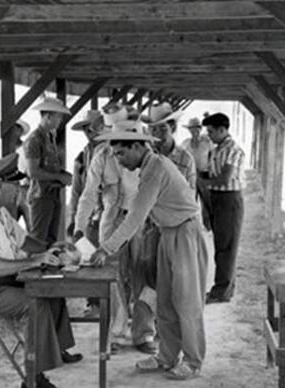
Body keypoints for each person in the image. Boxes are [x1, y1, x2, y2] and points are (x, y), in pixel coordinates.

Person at [89, 121, 208, 381]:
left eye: (121, 153)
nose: (119, 161)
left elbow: (135, 218)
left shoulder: (156, 169)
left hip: (185, 234)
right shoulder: (149, 167)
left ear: (136, 146)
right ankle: (167, 356)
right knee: (164, 300)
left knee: (186, 303)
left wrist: (105, 248)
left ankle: (193, 361)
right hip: (168, 233)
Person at [0, 154, 82, 388]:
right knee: (37, 304)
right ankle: (33, 379)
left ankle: (55, 350)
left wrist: (51, 248)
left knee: (52, 289)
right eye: (15, 187)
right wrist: (34, 262)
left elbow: (25, 241)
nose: (19, 193)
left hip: (0, 282)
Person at [74, 107, 157, 355]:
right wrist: (79, 227)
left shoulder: (146, 155)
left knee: (142, 274)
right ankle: (117, 333)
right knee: (112, 277)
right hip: (111, 220)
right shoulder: (101, 155)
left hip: (140, 220)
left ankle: (144, 332)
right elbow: (88, 195)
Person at [199, 113, 245, 304]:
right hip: (217, 198)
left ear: (222, 130)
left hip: (229, 199)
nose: (208, 135)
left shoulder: (233, 150)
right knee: (221, 245)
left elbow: (225, 178)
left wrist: (202, 181)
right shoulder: (217, 149)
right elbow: (212, 173)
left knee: (227, 247)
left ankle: (221, 291)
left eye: (211, 131)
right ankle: (225, 289)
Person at [23, 97, 72, 244]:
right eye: (58, 117)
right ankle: (37, 265)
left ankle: (47, 265)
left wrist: (62, 175)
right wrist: (59, 177)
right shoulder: (34, 139)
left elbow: (48, 167)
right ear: (48, 116)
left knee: (51, 238)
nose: (60, 120)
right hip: (40, 195)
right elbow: (33, 172)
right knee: (38, 238)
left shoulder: (49, 137)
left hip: (51, 193)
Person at [67, 110, 106, 245]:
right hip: (90, 216)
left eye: (91, 127)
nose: (88, 131)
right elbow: (77, 190)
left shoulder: (112, 153)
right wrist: (73, 218)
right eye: (86, 128)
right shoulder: (82, 156)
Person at [143, 103, 196, 188]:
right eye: (153, 129)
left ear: (173, 128)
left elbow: (190, 194)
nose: (157, 133)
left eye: (163, 128)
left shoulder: (186, 160)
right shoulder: (143, 156)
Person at [181, 117, 214, 229]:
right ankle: (191, 225)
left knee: (207, 202)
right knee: (190, 201)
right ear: (189, 130)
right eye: (192, 129)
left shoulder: (207, 143)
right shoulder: (185, 144)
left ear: (200, 129)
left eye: (197, 129)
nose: (194, 131)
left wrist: (211, 171)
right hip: (190, 176)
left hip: (204, 174)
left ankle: (208, 226)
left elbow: (212, 157)